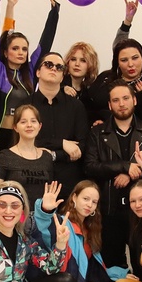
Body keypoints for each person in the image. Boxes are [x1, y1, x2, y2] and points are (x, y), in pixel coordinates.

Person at [84, 81, 142, 269]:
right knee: (112, 265)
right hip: (109, 208)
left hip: (140, 210)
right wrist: (125, 166)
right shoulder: (97, 133)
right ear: (109, 105)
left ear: (134, 100)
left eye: (126, 98)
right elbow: (89, 167)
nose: (121, 104)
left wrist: (132, 174)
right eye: (116, 100)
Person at [36, 179, 127, 282]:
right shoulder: (62, 223)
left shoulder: (89, 227)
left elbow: (93, 268)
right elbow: (44, 230)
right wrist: (45, 210)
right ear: (74, 198)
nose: (89, 204)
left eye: (94, 202)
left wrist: (121, 275)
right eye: (86, 199)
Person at [0, 0, 61, 135]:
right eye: (15, 48)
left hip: (22, 136)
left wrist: (54, 12)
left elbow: (45, 43)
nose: (21, 52)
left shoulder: (31, 72)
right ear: (5, 53)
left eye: (24, 49)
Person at [30, 52, 89, 198]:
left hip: (68, 181)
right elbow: (25, 143)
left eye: (59, 67)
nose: (53, 69)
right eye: (48, 65)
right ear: (38, 72)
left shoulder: (76, 106)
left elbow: (81, 146)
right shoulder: (26, 105)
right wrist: (62, 143)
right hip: (33, 176)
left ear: (63, 77)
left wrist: (54, 155)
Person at [90, 38, 142, 126]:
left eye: (135, 58)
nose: (130, 64)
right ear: (117, 62)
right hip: (105, 132)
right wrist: (96, 120)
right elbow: (88, 105)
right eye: (124, 60)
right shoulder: (105, 78)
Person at [0, 104, 53, 208]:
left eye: (33, 121)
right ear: (15, 127)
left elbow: (50, 191)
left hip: (41, 214)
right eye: (23, 122)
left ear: (39, 126)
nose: (29, 125)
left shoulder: (47, 157)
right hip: (14, 213)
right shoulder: (5, 156)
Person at [62, 41, 101, 124]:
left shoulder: (88, 94)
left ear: (91, 65)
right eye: (73, 59)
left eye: (83, 60)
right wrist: (61, 90)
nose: (77, 64)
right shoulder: (58, 85)